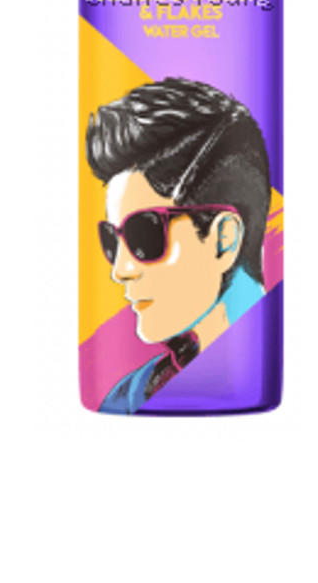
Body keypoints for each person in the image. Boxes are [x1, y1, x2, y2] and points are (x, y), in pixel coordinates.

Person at [86, 77, 270, 413]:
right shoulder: (126, 397)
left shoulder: (270, 369)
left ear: (223, 240)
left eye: (144, 235)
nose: (120, 270)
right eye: (112, 240)